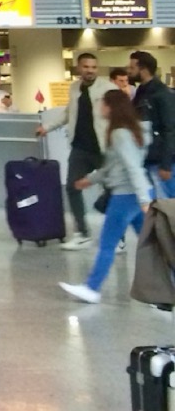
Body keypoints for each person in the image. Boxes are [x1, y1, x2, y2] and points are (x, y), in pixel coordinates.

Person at [59, 90, 155, 304]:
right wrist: (90, 180)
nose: (99, 107)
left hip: (127, 196)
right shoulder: (131, 131)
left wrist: (143, 201)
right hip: (137, 194)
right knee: (150, 245)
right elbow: (113, 166)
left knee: (107, 244)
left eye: (102, 103)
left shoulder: (120, 134)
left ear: (111, 107)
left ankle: (91, 288)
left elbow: (132, 168)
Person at [36, 53, 114, 250]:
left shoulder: (108, 89)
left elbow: (120, 114)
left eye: (94, 67)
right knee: (73, 187)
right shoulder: (74, 88)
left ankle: (117, 238)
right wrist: (47, 127)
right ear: (78, 68)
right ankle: (82, 233)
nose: (90, 70)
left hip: (104, 149)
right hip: (80, 148)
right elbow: (67, 114)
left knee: (112, 190)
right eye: (86, 66)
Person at [132, 51, 175, 198]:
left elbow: (169, 129)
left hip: (160, 157)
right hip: (147, 155)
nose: (128, 71)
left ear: (142, 69)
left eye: (132, 68)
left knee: (170, 198)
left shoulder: (162, 94)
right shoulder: (141, 92)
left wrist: (166, 164)